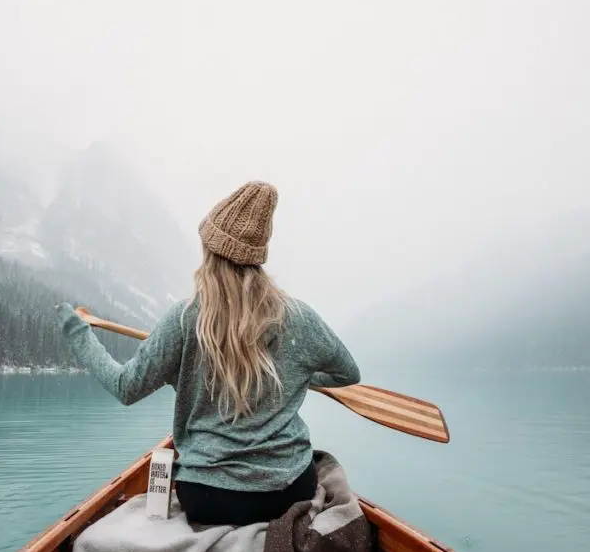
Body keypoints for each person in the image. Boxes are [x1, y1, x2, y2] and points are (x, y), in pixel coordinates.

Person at [54, 181, 360, 526]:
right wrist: (296, 375)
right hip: (287, 492)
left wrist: (78, 333)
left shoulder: (185, 318)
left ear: (210, 251)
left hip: (209, 497)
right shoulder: (300, 318)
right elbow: (348, 374)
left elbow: (126, 387)